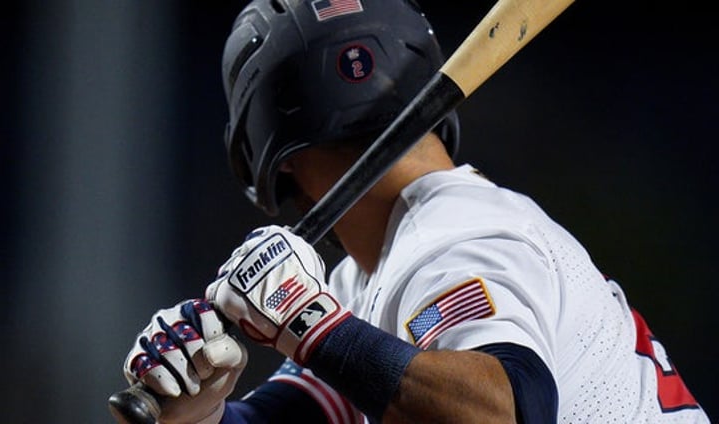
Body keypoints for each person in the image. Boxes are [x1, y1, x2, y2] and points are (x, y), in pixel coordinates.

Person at [120, 0, 710, 423]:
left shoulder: (456, 229)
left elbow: (501, 414)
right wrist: (198, 413)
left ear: (269, 153)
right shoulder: (370, 276)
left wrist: (309, 322)